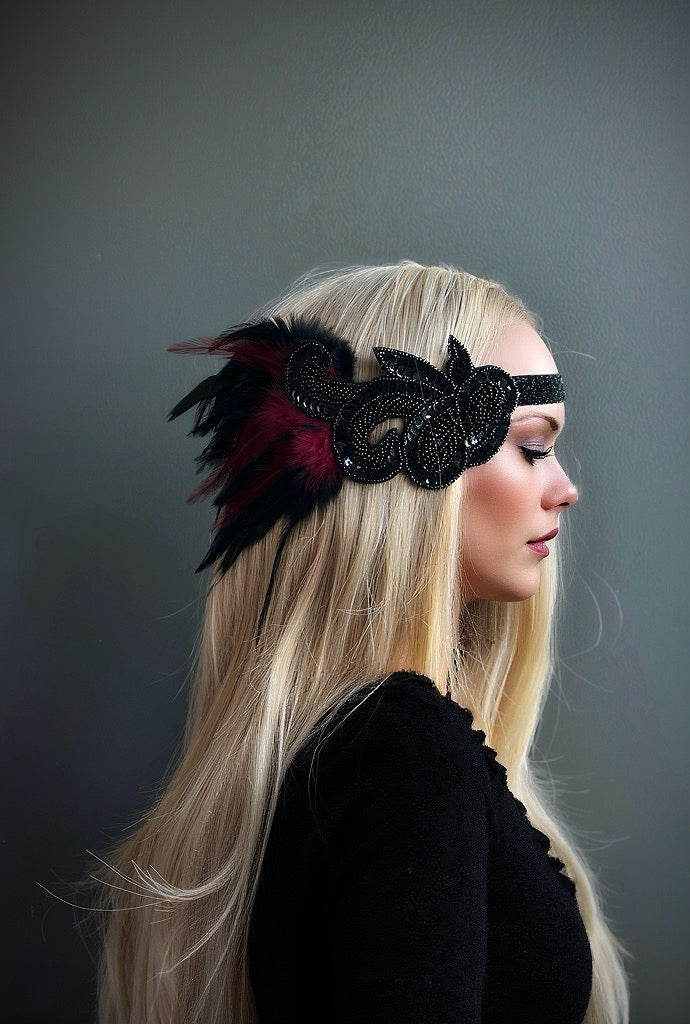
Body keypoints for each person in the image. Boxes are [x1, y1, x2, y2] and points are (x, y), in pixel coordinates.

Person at [93, 261, 629, 1023]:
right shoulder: (405, 754)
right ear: (415, 463)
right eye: (534, 446)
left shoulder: (369, 748)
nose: (564, 487)